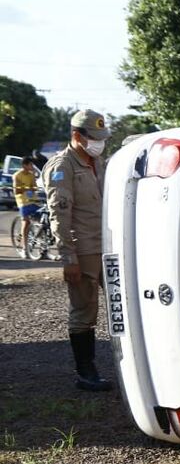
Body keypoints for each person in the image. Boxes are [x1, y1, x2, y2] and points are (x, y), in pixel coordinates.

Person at [42, 109, 113, 392]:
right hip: (82, 249)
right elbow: (59, 214)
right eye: (94, 138)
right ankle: (86, 371)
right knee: (84, 311)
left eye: (101, 137)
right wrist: (68, 257)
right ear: (76, 136)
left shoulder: (99, 162)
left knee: (123, 304)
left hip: (108, 245)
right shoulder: (63, 166)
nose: (99, 143)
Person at [12, 157, 41, 258]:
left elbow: (35, 187)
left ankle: (42, 247)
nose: (32, 167)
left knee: (41, 220)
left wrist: (32, 189)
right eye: (31, 165)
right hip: (22, 201)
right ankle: (24, 248)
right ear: (25, 165)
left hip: (33, 200)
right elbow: (16, 191)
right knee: (26, 222)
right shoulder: (17, 176)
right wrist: (27, 189)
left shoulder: (31, 175)